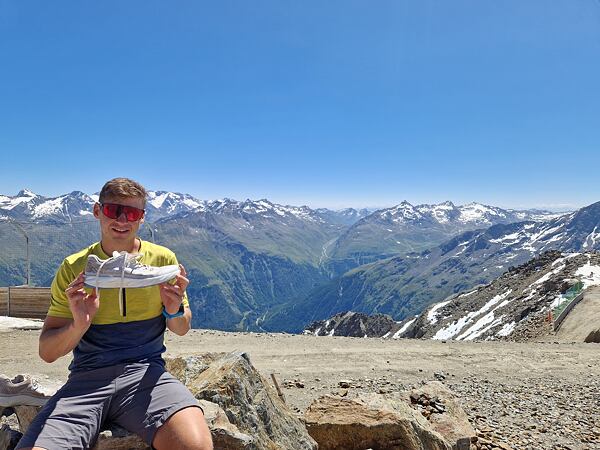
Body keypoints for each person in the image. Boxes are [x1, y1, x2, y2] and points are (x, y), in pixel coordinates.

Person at [17, 177, 213, 450]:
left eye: (131, 213)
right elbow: (47, 353)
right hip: (87, 379)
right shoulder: (75, 267)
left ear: (141, 218)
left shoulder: (163, 260)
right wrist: (79, 324)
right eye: (113, 210)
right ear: (98, 211)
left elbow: (181, 327)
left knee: (196, 445)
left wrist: (173, 309)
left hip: (147, 374)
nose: (122, 220)